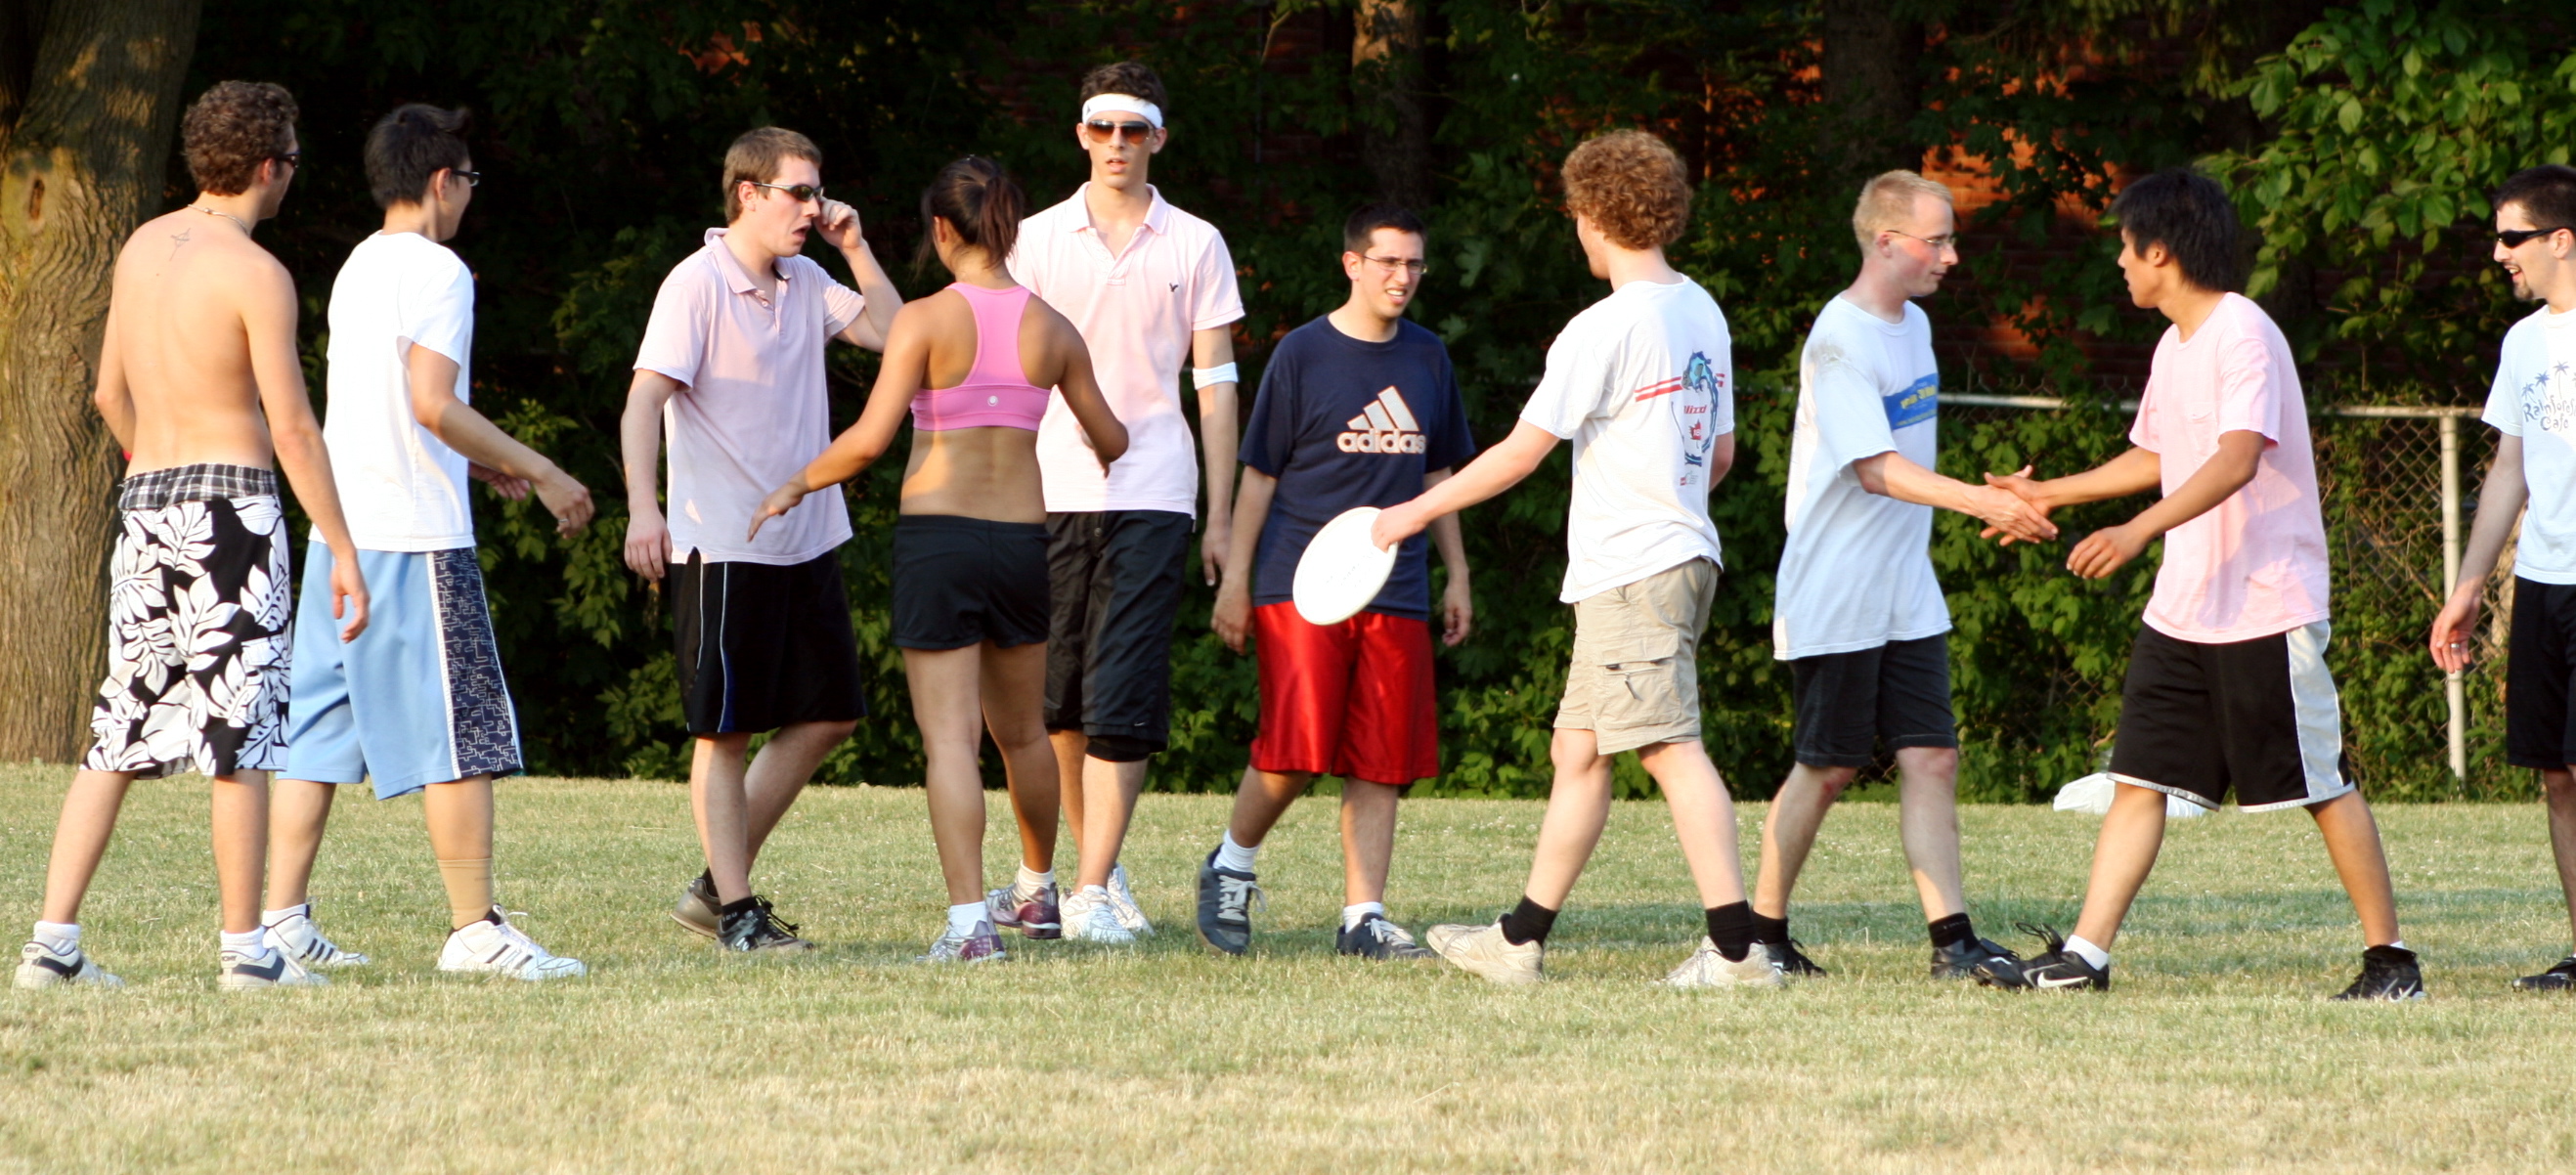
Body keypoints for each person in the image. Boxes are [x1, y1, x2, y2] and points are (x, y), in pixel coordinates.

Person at [1977, 169, 2423, 1000]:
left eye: (2123, 246)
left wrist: (2137, 529)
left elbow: (2235, 455)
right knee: (2138, 778)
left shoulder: (2241, 332)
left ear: (2160, 252)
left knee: (2317, 785)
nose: (2117, 262)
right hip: (2184, 609)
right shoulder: (2173, 344)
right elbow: (2156, 455)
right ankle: (2085, 956)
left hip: (2261, 603)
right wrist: (2047, 493)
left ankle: (2391, 963)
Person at [1371, 130, 1778, 989]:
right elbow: (1723, 453)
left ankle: (1738, 951)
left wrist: (1411, 510)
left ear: (1594, 215)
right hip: (1676, 556)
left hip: (1635, 567)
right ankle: (1518, 942)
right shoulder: (1698, 308)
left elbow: (1520, 453)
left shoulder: (1603, 326)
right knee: (1580, 752)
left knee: (1669, 746)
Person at [16, 82, 369, 991]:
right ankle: (247, 952)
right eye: (290, 161)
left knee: (119, 727)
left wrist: (152, 466)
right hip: (233, 515)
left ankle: (51, 945)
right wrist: (343, 548)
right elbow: (292, 428)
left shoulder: (140, 249)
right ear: (266, 166)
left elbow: (107, 392)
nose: (291, 176)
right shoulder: (256, 273)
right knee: (240, 735)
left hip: (146, 502)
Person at [751, 156, 1126, 961]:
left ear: (941, 229)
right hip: (1025, 543)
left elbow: (867, 443)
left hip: (939, 541)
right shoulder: (1054, 328)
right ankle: (1035, 891)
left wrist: (791, 486)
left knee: (951, 742)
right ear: (1011, 230)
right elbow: (1113, 437)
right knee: (1023, 735)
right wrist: (1094, 445)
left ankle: (968, 927)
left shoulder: (924, 320)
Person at [255, 105, 591, 981]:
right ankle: (473, 929)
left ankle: (281, 919)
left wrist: (476, 464)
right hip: (412, 541)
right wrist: (545, 470)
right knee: (463, 730)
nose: (470, 197)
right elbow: (433, 403)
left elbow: (392, 404)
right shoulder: (440, 271)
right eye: (470, 181)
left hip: (342, 535)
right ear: (443, 180)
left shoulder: (360, 264)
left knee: (319, 734)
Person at [1750, 171, 2053, 981]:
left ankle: (1952, 944)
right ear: (1886, 242)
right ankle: (1760, 937)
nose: (1951, 257)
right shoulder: (1839, 339)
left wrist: (1975, 495)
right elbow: (1875, 470)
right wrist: (1973, 503)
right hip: (1838, 587)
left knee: (1932, 757)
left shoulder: (1912, 326)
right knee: (1828, 765)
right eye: (1938, 240)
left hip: (1904, 587)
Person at [622, 126, 902, 953]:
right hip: (722, 543)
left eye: (818, 193)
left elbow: (895, 336)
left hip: (807, 536)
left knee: (830, 715)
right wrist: (645, 508)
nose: (813, 210)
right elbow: (643, 404)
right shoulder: (694, 284)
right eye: (800, 194)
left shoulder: (811, 277)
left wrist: (856, 247)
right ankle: (739, 914)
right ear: (748, 194)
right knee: (726, 730)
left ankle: (717, 884)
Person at [999, 61, 1245, 941]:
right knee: (1058, 698)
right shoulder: (1030, 239)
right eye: (1100, 128)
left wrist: (1217, 516)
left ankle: (1094, 886)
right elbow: (1005, 369)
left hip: (1154, 492)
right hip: (1046, 491)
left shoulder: (1196, 242)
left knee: (1124, 691)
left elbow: (1214, 383)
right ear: (1080, 134)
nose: (1115, 145)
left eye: (1132, 130)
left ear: (1157, 139)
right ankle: (1092, 872)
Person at [1194, 203, 1476, 959]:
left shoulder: (1426, 357)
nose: (1403, 277)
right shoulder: (1302, 354)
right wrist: (1236, 580)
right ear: (1352, 263)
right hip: (1301, 579)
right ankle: (1231, 865)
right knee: (1296, 748)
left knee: (1380, 756)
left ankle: (1363, 918)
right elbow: (1260, 476)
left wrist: (1457, 574)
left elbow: (1440, 473)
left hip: (1396, 582)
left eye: (1414, 263)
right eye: (1387, 261)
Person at [2427, 163, 2576, 993]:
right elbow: (2510, 467)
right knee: (2556, 774)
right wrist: (2469, 582)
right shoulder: (2522, 344)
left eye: (2511, 237)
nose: (2497, 254)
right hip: (2546, 582)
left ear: (2562, 240)